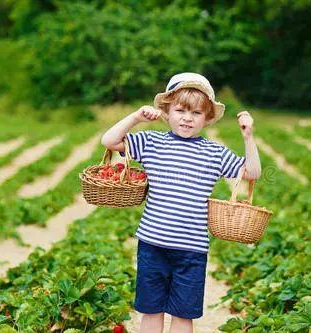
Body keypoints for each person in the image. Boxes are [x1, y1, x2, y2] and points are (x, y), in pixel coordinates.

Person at [101, 72, 261, 333]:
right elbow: (109, 141)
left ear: (207, 117)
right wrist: (135, 118)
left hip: (192, 250)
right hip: (153, 244)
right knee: (151, 311)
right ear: (166, 111)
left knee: (183, 315)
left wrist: (248, 137)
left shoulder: (214, 152)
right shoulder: (151, 142)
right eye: (180, 110)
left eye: (196, 113)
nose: (187, 118)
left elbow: (252, 173)